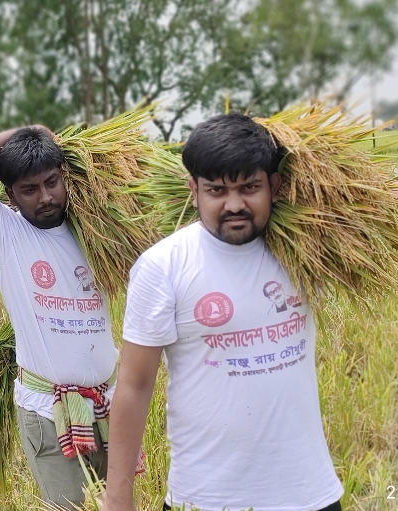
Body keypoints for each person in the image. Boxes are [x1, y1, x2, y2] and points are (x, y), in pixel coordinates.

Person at [102, 114, 343, 511]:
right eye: (217, 190)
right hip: (208, 497)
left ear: (275, 186)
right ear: (193, 190)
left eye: (250, 187)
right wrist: (117, 497)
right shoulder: (163, 266)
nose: (234, 205)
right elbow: (133, 385)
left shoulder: (305, 251)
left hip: (308, 492)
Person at [0, 126, 133, 509]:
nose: (46, 197)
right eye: (30, 190)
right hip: (48, 413)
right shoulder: (4, 234)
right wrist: (32, 130)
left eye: (52, 182)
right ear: (11, 196)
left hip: (108, 405)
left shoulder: (94, 229)